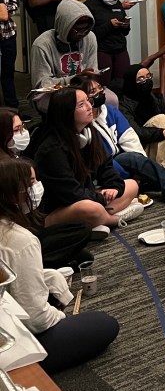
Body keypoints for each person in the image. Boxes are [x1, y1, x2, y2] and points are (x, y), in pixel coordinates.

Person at [0, 158, 119, 373]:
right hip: (13, 339)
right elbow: (36, 319)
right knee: (105, 324)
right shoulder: (20, 241)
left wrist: (48, 277)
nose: (37, 187)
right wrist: (60, 316)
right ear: (14, 194)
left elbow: (13, 278)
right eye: (32, 183)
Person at [68, 72, 165, 206]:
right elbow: (99, 158)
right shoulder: (82, 123)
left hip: (122, 158)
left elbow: (130, 138)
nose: (100, 92)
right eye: (93, 91)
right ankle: (149, 182)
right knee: (127, 165)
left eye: (100, 87)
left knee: (134, 158)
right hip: (101, 167)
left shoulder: (109, 111)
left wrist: (140, 166)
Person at [33, 87, 140, 230]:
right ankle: (111, 219)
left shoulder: (89, 132)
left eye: (88, 101)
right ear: (67, 113)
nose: (90, 107)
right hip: (60, 206)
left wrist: (114, 187)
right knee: (90, 208)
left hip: (85, 195)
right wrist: (100, 198)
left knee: (132, 185)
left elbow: (105, 166)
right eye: (81, 105)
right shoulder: (51, 149)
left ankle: (95, 221)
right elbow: (70, 193)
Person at [0, 111, 93, 269]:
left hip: (31, 223)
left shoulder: (16, 157)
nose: (23, 133)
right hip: (14, 233)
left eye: (23, 127)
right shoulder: (6, 170)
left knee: (81, 235)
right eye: (17, 130)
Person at [120, 64, 165, 172]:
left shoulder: (155, 97)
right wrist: (164, 133)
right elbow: (136, 133)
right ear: (131, 82)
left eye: (148, 76)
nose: (146, 80)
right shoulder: (123, 105)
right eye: (141, 79)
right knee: (161, 120)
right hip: (145, 147)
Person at [29, 0, 99, 111]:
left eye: (86, 29)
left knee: (111, 99)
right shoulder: (42, 44)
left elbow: (93, 70)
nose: (82, 34)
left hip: (83, 87)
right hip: (54, 92)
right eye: (78, 30)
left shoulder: (89, 37)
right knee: (69, 106)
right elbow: (43, 85)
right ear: (64, 26)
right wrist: (74, 79)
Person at [85, 0, 131, 88]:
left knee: (123, 83)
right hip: (102, 50)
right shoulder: (90, 6)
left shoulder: (118, 4)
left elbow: (125, 32)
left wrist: (125, 25)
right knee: (103, 85)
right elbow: (88, 35)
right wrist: (109, 25)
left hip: (120, 48)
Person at [0, 0, 20, 107]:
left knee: (8, 72)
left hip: (8, 33)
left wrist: (5, 10)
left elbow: (14, 3)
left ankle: (13, 109)